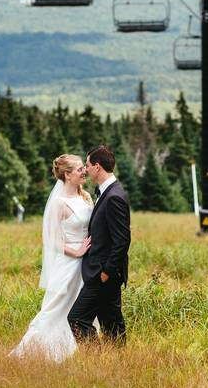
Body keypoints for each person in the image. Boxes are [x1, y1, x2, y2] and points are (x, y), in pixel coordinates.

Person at [10, 154, 94, 362]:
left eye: (84, 167)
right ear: (67, 175)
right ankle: (28, 352)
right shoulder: (59, 203)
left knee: (81, 308)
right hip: (69, 264)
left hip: (87, 265)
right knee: (56, 308)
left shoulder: (86, 197)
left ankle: (71, 352)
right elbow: (50, 238)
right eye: (79, 169)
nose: (84, 171)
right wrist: (76, 252)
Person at [67, 145, 131, 345]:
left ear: (97, 166)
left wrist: (106, 272)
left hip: (103, 273)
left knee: (77, 318)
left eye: (87, 165)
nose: (85, 170)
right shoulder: (108, 192)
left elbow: (122, 240)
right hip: (104, 272)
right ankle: (117, 363)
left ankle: (94, 359)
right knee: (111, 322)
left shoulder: (114, 197)